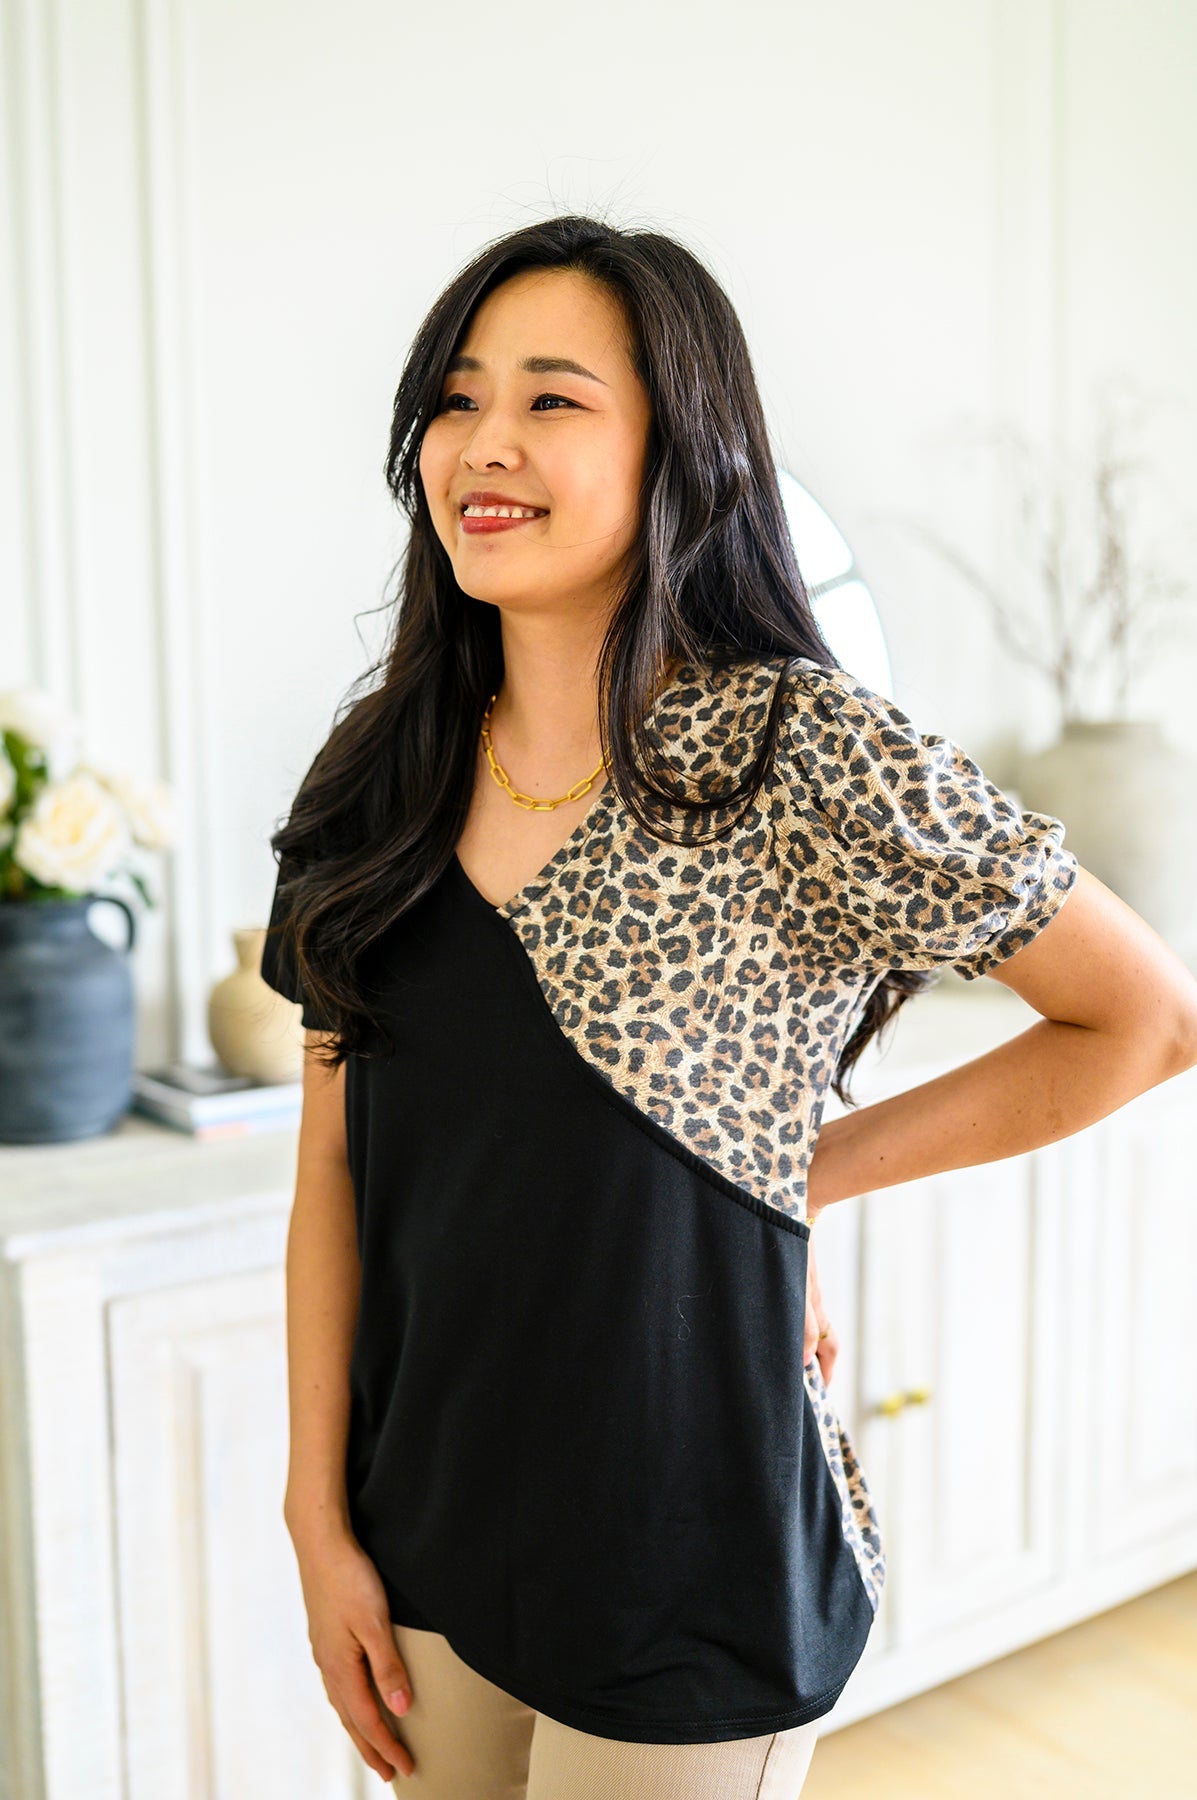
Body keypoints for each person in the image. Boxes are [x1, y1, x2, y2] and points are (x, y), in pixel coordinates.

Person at [259, 214, 1197, 1798]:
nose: (484, 442)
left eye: (552, 399)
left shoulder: (795, 749)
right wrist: (315, 1516)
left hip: (693, 1559)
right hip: (419, 1531)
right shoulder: (378, 777)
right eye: (456, 398)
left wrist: (802, 1173)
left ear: (679, 448)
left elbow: (1145, 1019)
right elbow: (332, 1174)